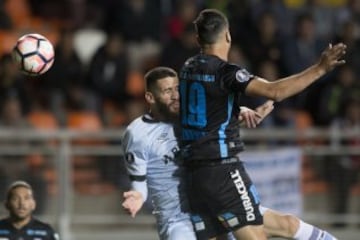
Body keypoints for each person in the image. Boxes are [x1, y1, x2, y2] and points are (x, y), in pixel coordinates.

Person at [178, 9, 345, 240]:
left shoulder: (188, 68)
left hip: (194, 174)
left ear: (198, 39)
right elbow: (275, 91)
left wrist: (238, 111)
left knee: (286, 224)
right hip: (222, 170)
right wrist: (319, 69)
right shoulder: (226, 72)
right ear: (227, 36)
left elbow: (203, 109)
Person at [122, 67, 338, 240]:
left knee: (288, 224)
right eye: (167, 91)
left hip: (218, 203)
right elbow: (138, 179)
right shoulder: (137, 134)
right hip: (179, 219)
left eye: (177, 88)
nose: (176, 95)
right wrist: (137, 195)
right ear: (150, 97)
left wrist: (246, 112)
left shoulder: (194, 113)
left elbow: (225, 114)